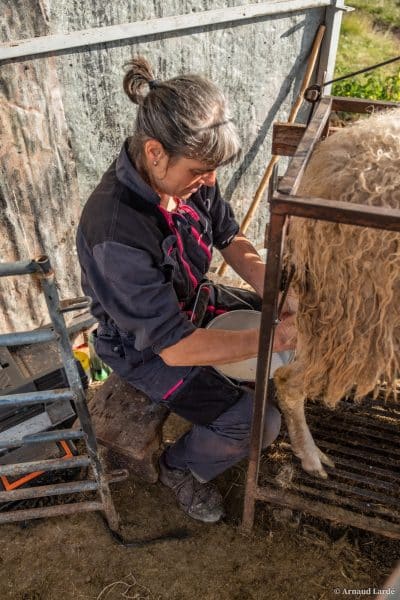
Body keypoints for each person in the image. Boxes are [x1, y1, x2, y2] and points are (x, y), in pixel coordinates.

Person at [76, 56, 296, 524]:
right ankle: (180, 468)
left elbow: (231, 239)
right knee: (259, 423)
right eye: (201, 169)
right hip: (146, 348)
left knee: (279, 320)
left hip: (193, 305)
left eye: (214, 170)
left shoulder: (192, 181)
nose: (210, 181)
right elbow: (174, 348)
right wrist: (272, 339)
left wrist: (272, 287)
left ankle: (246, 371)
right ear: (155, 152)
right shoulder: (116, 232)